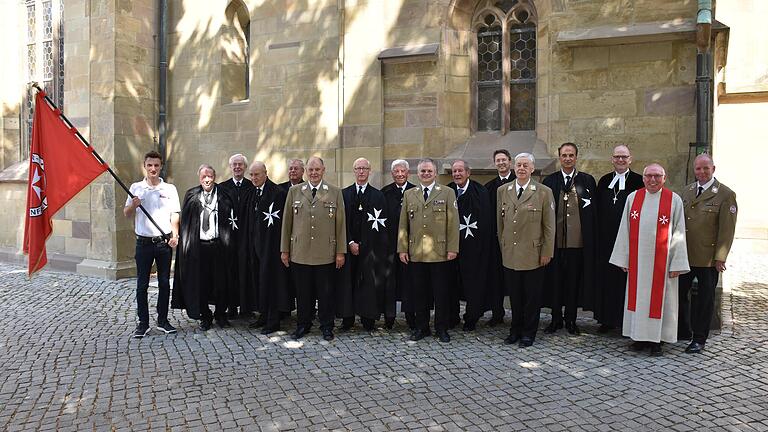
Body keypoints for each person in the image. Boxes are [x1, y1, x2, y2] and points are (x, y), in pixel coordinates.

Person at [609, 163, 690, 356]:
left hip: (663, 264)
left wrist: (677, 262)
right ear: (643, 177)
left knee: (661, 302)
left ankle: (657, 341)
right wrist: (624, 259)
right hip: (638, 262)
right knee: (638, 300)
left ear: (664, 177)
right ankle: (639, 337)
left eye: (657, 176)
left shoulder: (673, 200)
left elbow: (679, 232)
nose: (652, 180)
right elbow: (624, 230)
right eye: (648, 176)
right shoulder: (633, 198)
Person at [280, 156, 346, 341]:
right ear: (306, 172)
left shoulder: (334, 192)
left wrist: (340, 252)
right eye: (311, 170)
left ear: (323, 170)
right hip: (300, 253)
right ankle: (303, 324)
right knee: (303, 293)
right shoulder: (294, 191)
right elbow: (287, 223)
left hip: (326, 253)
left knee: (326, 293)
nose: (314, 173)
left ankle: (326, 326)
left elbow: (340, 226)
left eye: (317, 169)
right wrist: (285, 250)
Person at [678, 154, 737, 354]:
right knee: (679, 294)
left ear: (713, 169)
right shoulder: (686, 191)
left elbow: (727, 230)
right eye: (698, 169)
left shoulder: (725, 194)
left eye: (706, 169)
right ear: (693, 170)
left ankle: (699, 338)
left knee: (704, 300)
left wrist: (721, 257)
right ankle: (683, 330)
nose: (702, 173)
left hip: (707, 258)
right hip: (684, 255)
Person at [398, 158, 460, 343]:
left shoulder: (447, 193)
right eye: (423, 171)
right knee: (420, 293)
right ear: (418, 174)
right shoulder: (410, 194)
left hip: (440, 252)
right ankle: (422, 327)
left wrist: (452, 248)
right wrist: (402, 248)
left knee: (441, 293)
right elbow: (403, 224)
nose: (426, 174)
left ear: (435, 173)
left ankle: (441, 328)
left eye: (429, 171)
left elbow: (453, 223)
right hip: (416, 252)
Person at [497, 153, 555, 348]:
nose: (521, 168)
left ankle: (529, 333)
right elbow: (500, 223)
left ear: (532, 169)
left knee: (532, 297)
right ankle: (515, 330)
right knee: (515, 296)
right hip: (511, 254)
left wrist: (547, 252)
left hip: (533, 254)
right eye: (519, 165)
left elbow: (549, 226)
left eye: (525, 165)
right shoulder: (503, 190)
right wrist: (503, 245)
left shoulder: (543, 191)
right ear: (514, 167)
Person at [172, 164, 238, 330]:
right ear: (199, 178)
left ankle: (221, 314)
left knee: (221, 282)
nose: (207, 179)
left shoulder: (225, 194)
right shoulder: (192, 195)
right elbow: (185, 224)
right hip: (199, 247)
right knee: (201, 283)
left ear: (214, 177)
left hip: (219, 246)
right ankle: (205, 315)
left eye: (210, 176)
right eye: (204, 177)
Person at [542, 142, 597, 336]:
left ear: (576, 157)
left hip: (577, 244)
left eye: (571, 155)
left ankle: (571, 319)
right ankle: (556, 318)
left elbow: (593, 214)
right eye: (564, 155)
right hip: (555, 244)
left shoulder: (587, 180)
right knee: (555, 282)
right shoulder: (550, 181)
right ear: (559, 157)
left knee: (573, 282)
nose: (567, 158)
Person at [124, 150, 180, 338]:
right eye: (150, 165)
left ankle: (163, 320)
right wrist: (134, 205)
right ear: (145, 166)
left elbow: (175, 214)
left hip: (163, 243)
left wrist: (175, 235)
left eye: (156, 165)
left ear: (161, 166)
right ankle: (143, 323)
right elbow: (126, 213)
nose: (153, 168)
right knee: (142, 284)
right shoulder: (136, 187)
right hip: (144, 243)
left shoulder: (169, 189)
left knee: (164, 283)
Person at [594, 145, 644, 333]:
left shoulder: (639, 181)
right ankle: (606, 319)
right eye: (617, 157)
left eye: (624, 157)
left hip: (628, 240)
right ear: (612, 159)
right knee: (607, 280)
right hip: (606, 240)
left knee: (625, 282)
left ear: (630, 159)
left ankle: (625, 321)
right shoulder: (605, 180)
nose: (620, 160)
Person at [240, 161, 293, 335]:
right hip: (255, 248)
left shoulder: (277, 193)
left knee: (273, 283)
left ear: (265, 173)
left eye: (257, 174)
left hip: (272, 248)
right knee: (259, 282)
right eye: (252, 175)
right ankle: (263, 315)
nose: (254, 178)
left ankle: (273, 320)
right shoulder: (252, 193)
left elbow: (285, 224)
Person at [340, 158, 390, 331]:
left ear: (370, 171)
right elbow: (340, 223)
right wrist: (350, 242)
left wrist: (364, 245)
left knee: (368, 283)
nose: (361, 171)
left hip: (370, 250)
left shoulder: (378, 196)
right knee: (348, 282)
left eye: (364, 168)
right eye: (358, 168)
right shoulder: (344, 194)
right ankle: (347, 318)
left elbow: (381, 225)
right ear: (353, 171)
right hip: (348, 248)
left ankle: (368, 318)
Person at [447, 159, 492, 331]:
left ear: (468, 172)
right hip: (450, 247)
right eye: (454, 171)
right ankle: (452, 316)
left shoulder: (480, 192)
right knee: (450, 283)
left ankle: (471, 318)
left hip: (474, 247)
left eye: (460, 171)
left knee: (473, 284)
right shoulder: (448, 190)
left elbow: (485, 221)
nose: (457, 174)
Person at [381, 159, 417, 329]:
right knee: (389, 282)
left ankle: (411, 316)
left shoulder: (415, 191)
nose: (400, 174)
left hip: (410, 246)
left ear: (408, 173)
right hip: (388, 246)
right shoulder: (385, 192)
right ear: (392, 173)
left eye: (403, 171)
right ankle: (389, 316)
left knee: (409, 282)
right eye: (397, 171)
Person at [219, 153, 254, 319]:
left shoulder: (251, 186)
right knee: (230, 273)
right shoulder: (222, 187)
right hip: (229, 239)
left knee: (246, 272)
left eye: (240, 164)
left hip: (246, 239)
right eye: (235, 165)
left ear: (245, 167)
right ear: (230, 167)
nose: (237, 167)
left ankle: (247, 307)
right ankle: (231, 307)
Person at [484, 149, 515, 326]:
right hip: (495, 240)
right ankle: (497, 313)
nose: (501, 163)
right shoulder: (489, 187)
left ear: (509, 162)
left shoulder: (518, 183)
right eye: (498, 160)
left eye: (504, 160)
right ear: (494, 163)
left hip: (514, 241)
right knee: (496, 278)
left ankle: (518, 314)